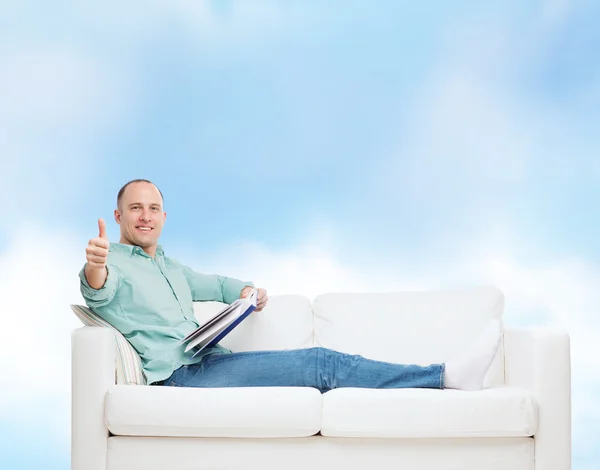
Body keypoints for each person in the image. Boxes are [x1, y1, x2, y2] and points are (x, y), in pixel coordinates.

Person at [80, 179, 501, 391]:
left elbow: (221, 284)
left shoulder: (172, 268)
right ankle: (443, 377)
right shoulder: (111, 261)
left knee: (319, 362)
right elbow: (97, 288)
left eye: (154, 208)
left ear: (165, 217)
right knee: (321, 362)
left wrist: (247, 293)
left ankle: (442, 376)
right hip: (179, 377)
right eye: (135, 208)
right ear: (118, 217)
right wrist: (96, 265)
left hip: (209, 361)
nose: (146, 216)